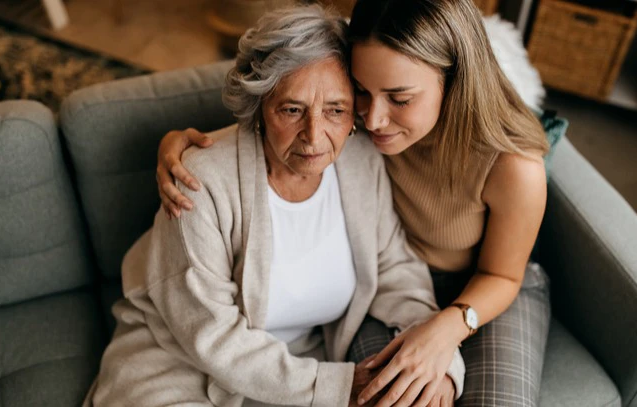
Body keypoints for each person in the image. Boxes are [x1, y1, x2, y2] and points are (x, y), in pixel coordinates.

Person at [156, 0, 552, 406]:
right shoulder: (355, 125)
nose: (375, 119)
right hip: (392, 282)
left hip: (488, 288)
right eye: (361, 92)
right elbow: (292, 91)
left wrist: (445, 337)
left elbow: (502, 275)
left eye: (399, 99)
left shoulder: (512, 166)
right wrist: (184, 149)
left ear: (453, 81)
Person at [84, 5, 465, 407]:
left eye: (335, 110)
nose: (314, 136)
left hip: (295, 370)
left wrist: (439, 362)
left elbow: (396, 271)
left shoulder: (361, 160)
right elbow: (210, 335)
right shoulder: (201, 180)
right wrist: (332, 387)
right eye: (292, 109)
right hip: (177, 367)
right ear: (261, 106)